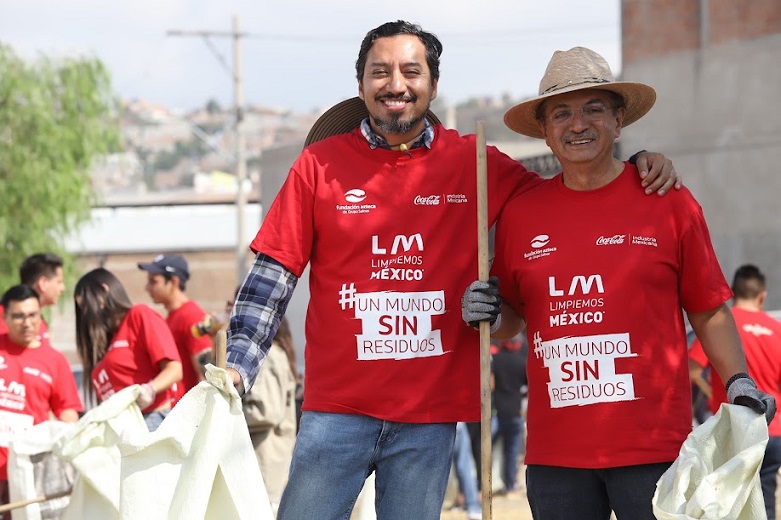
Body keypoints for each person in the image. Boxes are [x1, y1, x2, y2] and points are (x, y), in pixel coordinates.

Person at [224, 21, 680, 520]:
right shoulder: (319, 165)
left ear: (432, 86)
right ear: (361, 86)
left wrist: (634, 166)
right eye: (380, 72)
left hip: (430, 417)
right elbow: (272, 277)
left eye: (410, 71)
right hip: (336, 412)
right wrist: (239, 367)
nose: (395, 84)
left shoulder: (473, 162)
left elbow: (569, 189)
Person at [461, 46, 776, 519]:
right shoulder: (522, 214)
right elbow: (512, 319)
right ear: (545, 132)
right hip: (556, 458)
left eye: (594, 109)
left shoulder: (667, 200)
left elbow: (708, 308)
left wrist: (737, 380)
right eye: (562, 113)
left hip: (654, 453)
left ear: (619, 118)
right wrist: (484, 311)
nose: (578, 124)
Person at [689, 264, 781, 519]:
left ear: (732, 291)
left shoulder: (721, 326)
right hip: (771, 431)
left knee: (727, 504)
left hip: (733, 431)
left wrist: (710, 395)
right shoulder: (777, 330)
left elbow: (692, 370)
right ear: (762, 296)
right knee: (765, 503)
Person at [0, 285, 82, 512]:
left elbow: (68, 414)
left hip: (29, 469)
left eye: (32, 315)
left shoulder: (55, 361)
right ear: (4, 316)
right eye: (18, 316)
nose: (26, 323)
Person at [74, 268, 183, 431]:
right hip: (121, 428)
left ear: (104, 291)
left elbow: (174, 369)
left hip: (151, 420)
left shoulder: (138, 316)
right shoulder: (108, 342)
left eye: (87, 306)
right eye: (81, 309)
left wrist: (149, 390)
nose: (86, 314)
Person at [241, 315, 298, 518]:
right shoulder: (272, 353)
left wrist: (228, 416)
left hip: (264, 454)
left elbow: (266, 411)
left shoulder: (268, 355)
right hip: (264, 454)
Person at [138, 254, 213, 393]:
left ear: (173, 282)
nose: (147, 287)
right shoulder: (171, 318)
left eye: (153, 282)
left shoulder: (191, 316)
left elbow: (207, 373)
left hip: (185, 410)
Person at [491, 335, 527, 496]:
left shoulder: (495, 360)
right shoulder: (521, 362)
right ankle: (510, 484)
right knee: (512, 451)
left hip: (496, 412)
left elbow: (489, 384)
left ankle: (483, 484)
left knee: (484, 449)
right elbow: (527, 386)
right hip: (514, 412)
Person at [0, 253, 66, 340]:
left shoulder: (40, 322)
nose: (62, 288)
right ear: (43, 283)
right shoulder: (3, 317)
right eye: (59, 282)